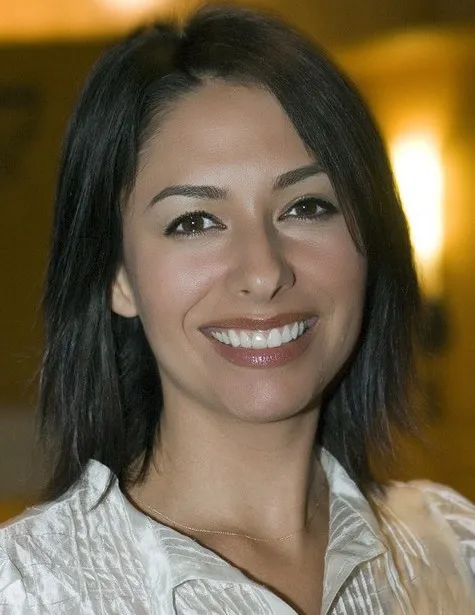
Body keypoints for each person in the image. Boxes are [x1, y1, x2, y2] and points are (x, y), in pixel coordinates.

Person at [1, 4, 474, 614]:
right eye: (195, 221)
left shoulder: (451, 552)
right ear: (118, 276)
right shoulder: (33, 591)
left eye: (306, 207)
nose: (264, 271)